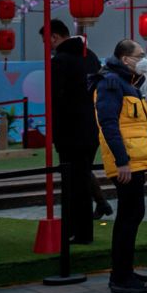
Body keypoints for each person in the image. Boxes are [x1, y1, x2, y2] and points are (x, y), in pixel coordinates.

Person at [93, 39, 147, 293]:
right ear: (125, 59)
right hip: (127, 162)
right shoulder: (111, 84)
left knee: (133, 214)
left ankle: (124, 272)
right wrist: (122, 161)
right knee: (128, 216)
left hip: (134, 160)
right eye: (139, 55)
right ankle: (120, 277)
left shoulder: (127, 83)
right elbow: (108, 124)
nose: (143, 60)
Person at [40, 19, 110, 243]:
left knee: (72, 187)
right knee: (81, 181)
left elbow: (56, 100)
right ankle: (82, 231)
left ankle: (75, 232)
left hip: (70, 131)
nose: (46, 45)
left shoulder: (60, 62)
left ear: (55, 37)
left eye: (46, 40)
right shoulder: (88, 56)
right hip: (90, 128)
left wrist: (55, 133)